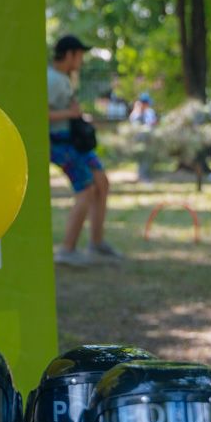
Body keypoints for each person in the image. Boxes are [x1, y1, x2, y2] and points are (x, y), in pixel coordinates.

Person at [47, 34, 122, 266]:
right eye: (79, 55)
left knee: (102, 183)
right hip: (62, 143)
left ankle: (97, 242)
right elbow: (42, 114)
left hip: (76, 142)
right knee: (86, 190)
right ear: (69, 54)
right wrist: (71, 115)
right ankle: (67, 249)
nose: (81, 60)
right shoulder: (51, 79)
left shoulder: (64, 79)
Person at [128, 92, 159, 181]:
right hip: (139, 139)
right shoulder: (136, 113)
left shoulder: (150, 112)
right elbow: (133, 124)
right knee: (141, 158)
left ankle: (147, 175)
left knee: (148, 158)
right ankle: (142, 176)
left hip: (149, 139)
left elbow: (153, 122)